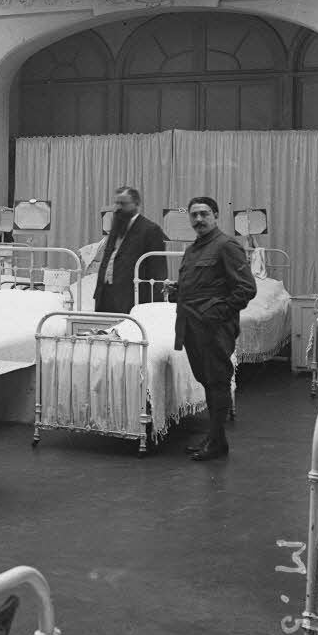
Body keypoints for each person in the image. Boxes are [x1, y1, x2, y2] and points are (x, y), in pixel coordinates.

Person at [175, 197, 256, 462]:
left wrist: (217, 314)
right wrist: (177, 290)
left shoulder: (226, 245)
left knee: (217, 381)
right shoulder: (192, 249)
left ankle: (217, 442)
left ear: (216, 215)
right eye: (194, 215)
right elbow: (200, 285)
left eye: (204, 213)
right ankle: (215, 439)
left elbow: (246, 288)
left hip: (214, 328)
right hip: (192, 325)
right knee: (207, 380)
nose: (198, 219)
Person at [93, 185, 168, 314]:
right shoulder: (116, 227)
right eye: (116, 203)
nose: (117, 208)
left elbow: (157, 272)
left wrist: (153, 307)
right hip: (105, 297)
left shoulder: (151, 230)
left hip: (131, 301)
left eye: (123, 204)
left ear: (136, 204)